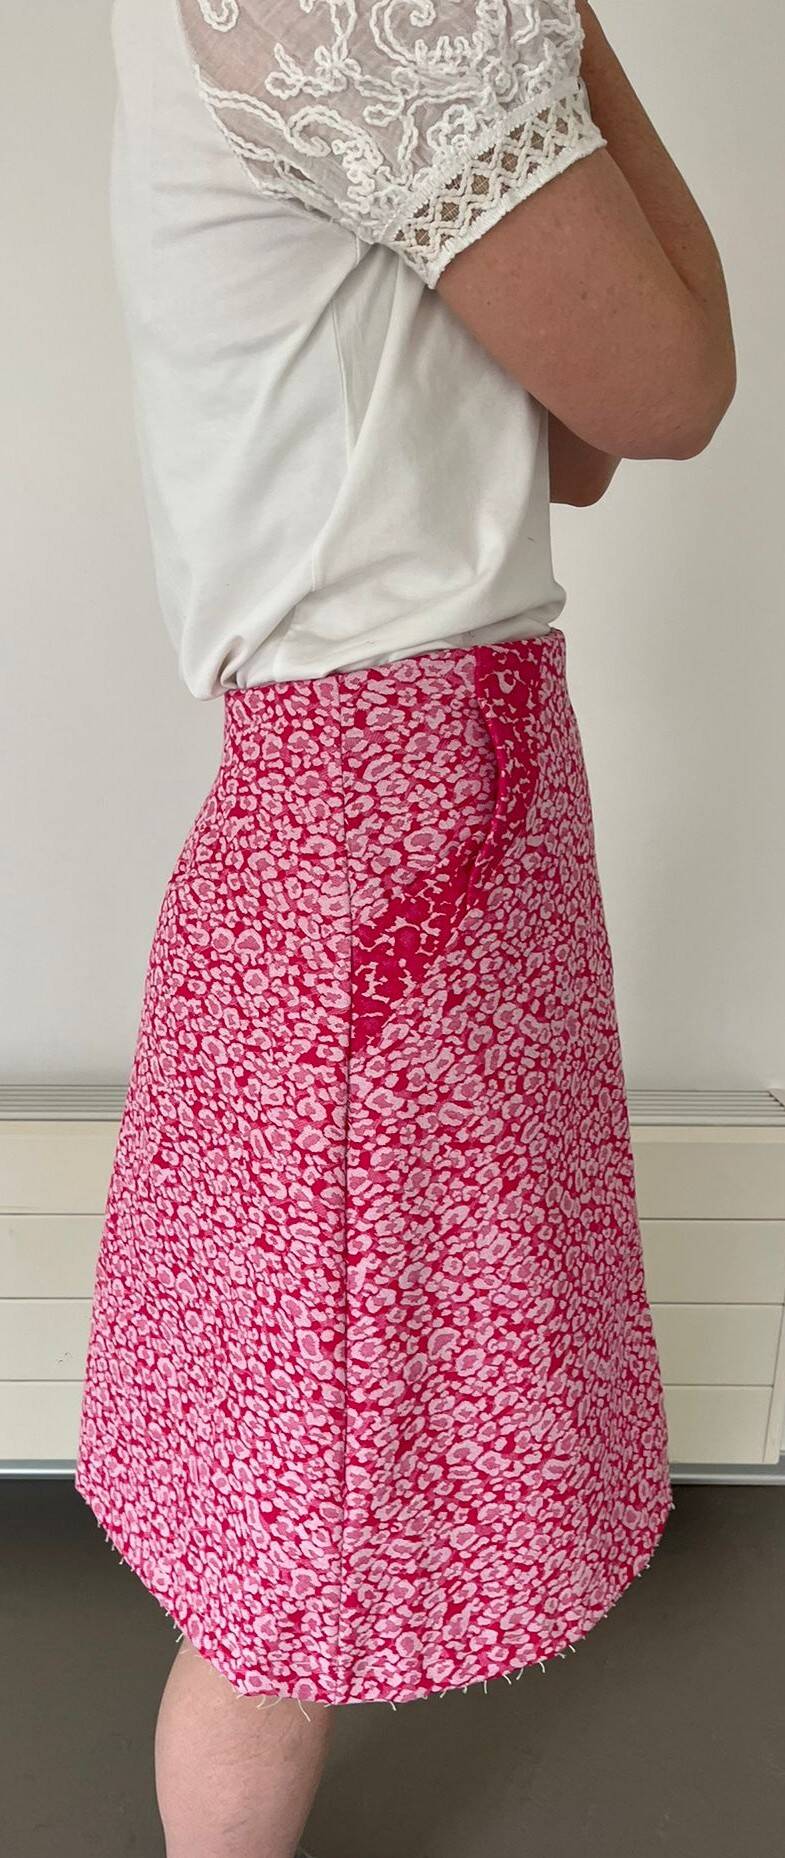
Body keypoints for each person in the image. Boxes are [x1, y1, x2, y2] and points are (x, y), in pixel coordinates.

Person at [75, 2, 736, 1855]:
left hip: (399, 809)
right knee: (281, 1556)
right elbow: (672, 390)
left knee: (287, 1502)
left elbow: (584, 441)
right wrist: (562, 27)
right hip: (396, 825)